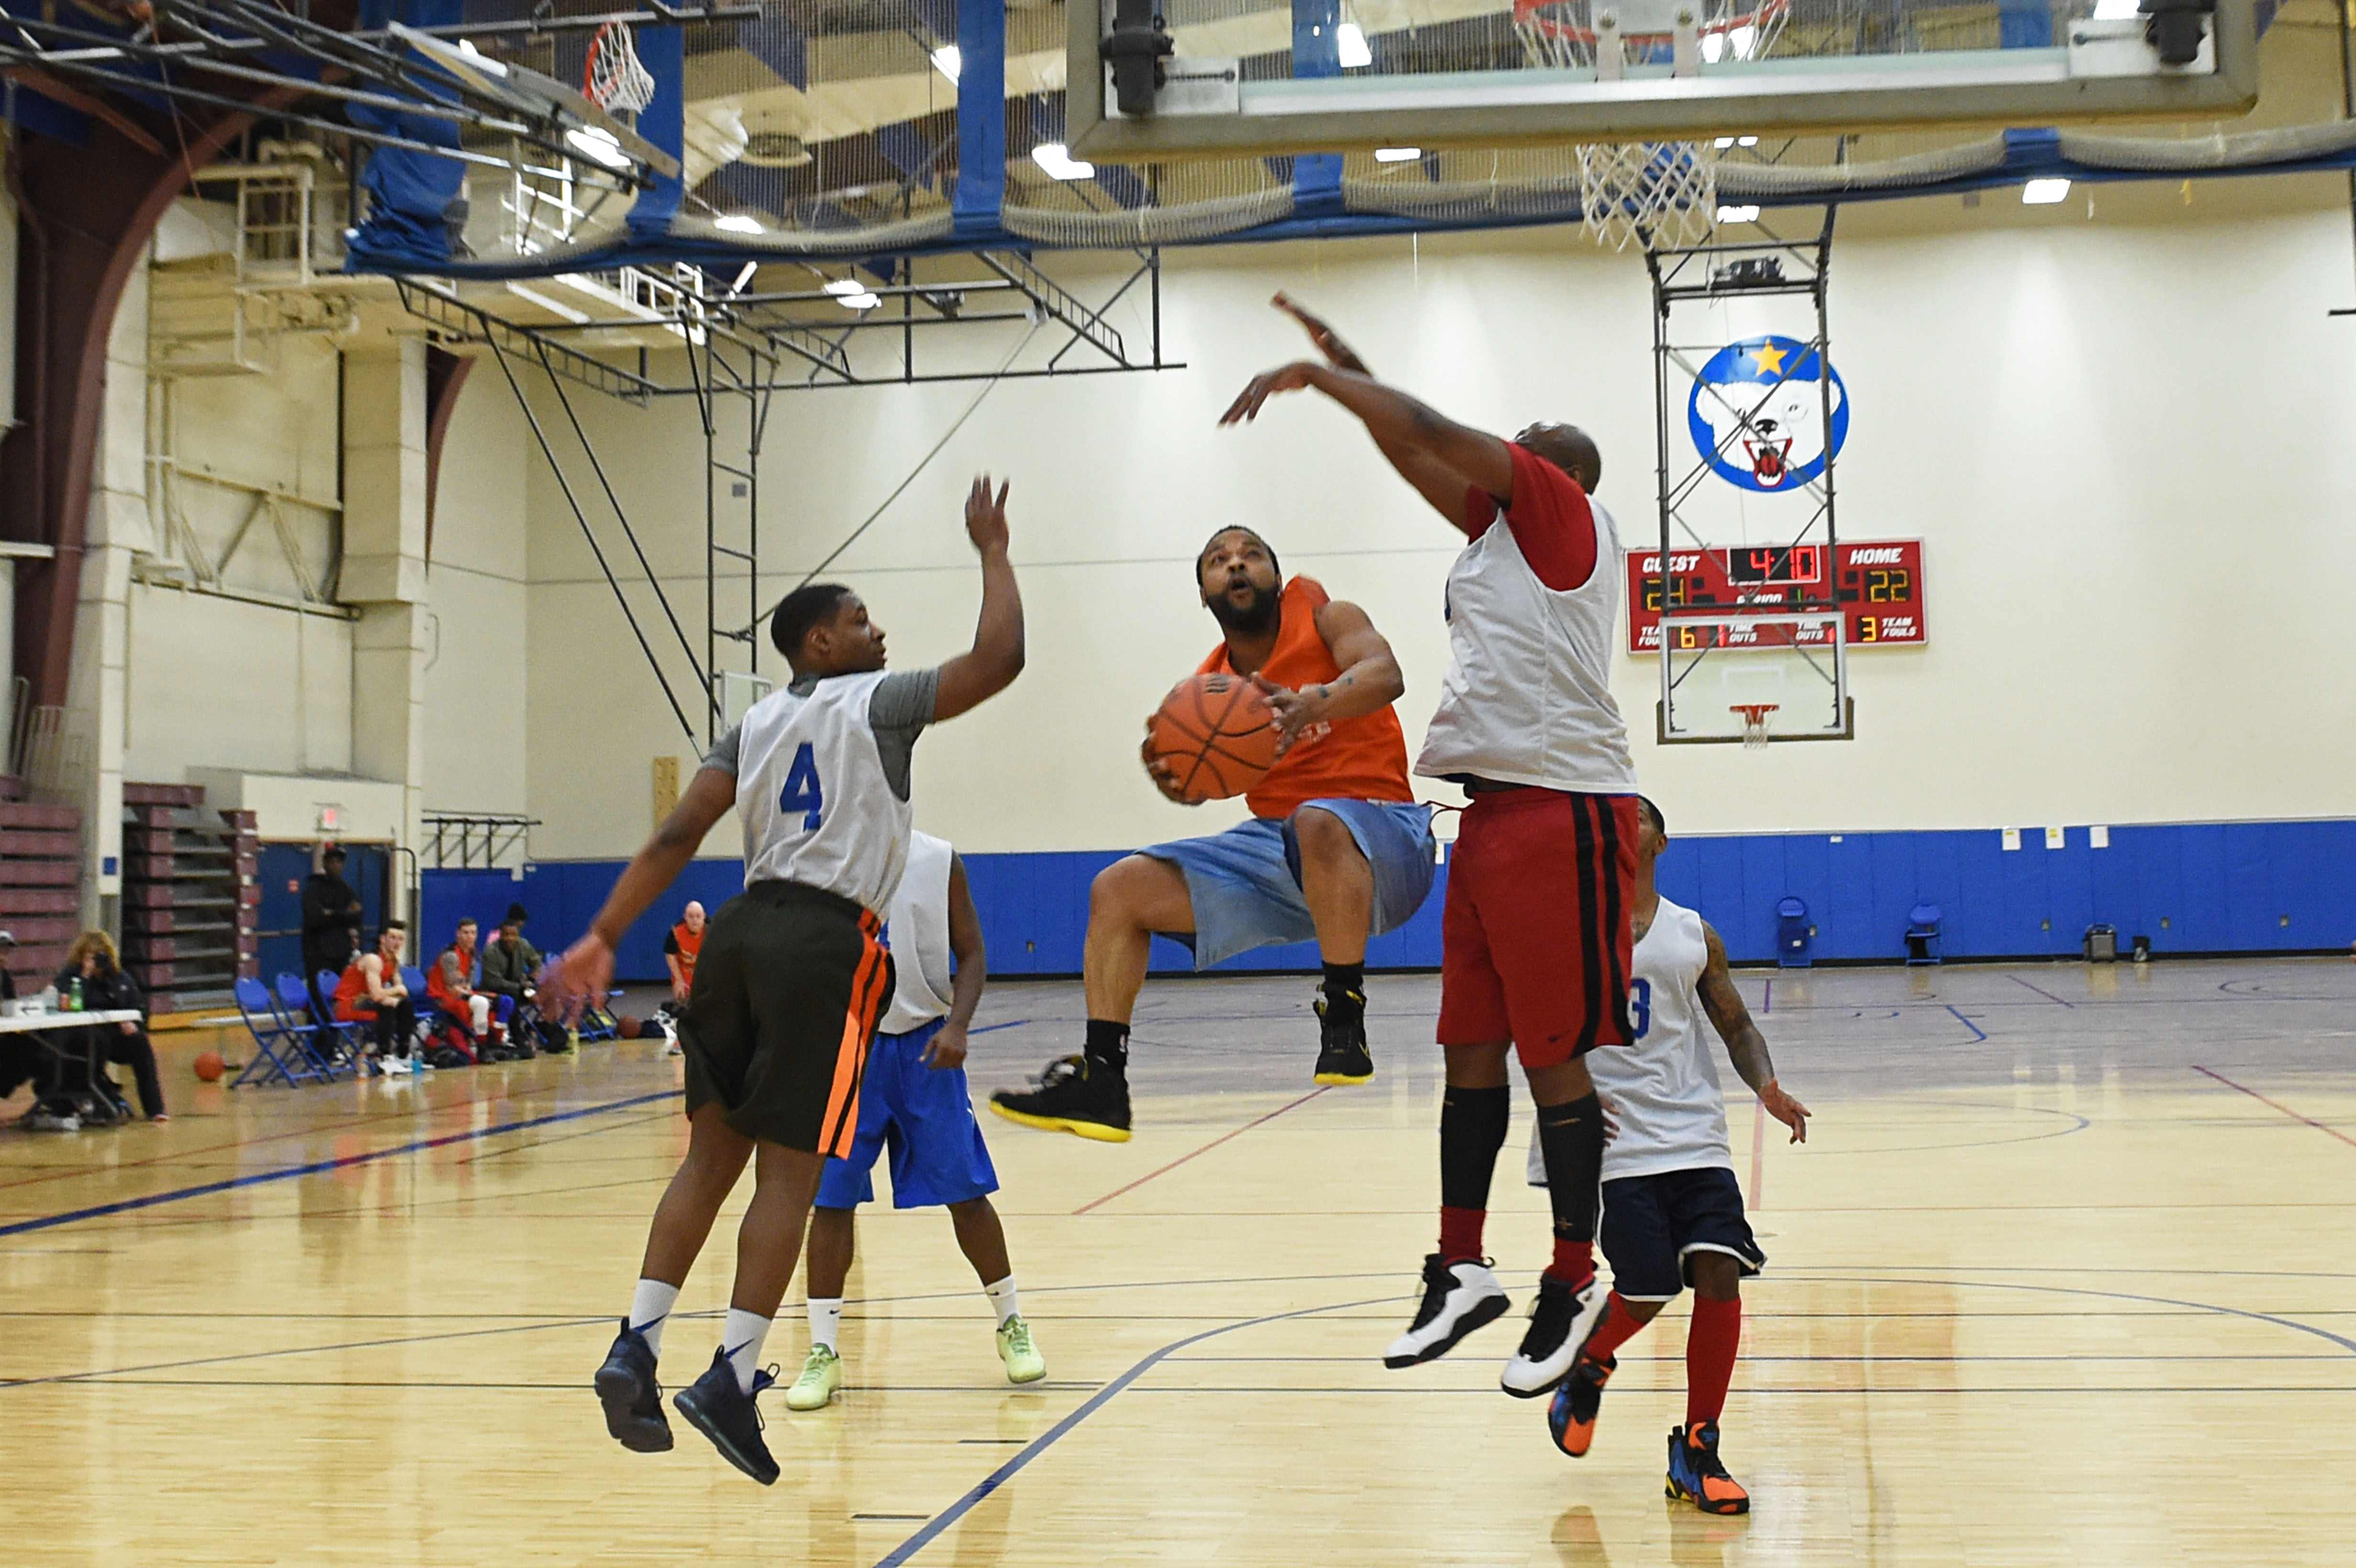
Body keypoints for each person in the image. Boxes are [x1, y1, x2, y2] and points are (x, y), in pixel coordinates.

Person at [545, 475, 1025, 1486]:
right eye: (859, 619)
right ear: (819, 642)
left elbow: (681, 830)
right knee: (793, 1174)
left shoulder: (753, 723)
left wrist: (601, 935)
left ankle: (635, 1338)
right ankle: (727, 1370)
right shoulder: (880, 701)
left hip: (735, 933)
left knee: (707, 1158)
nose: (877, 629)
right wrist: (991, 548)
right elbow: (1000, 660)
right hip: (823, 945)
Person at [1223, 294, 1638, 1397]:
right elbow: (1414, 441)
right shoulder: (1498, 537)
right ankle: (1462, 1265)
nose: (1501, 449)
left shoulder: (1557, 505)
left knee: (1554, 1056)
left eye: (1520, 440)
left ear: (1553, 467)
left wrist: (1318, 382)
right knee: (1469, 1048)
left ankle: (1572, 1272)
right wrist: (1353, 369)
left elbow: (1434, 429)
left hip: (1564, 806)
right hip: (1491, 813)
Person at [988, 524, 1434, 1142]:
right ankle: (1103, 1082)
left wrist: (1315, 702)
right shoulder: (1212, 688)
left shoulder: (1327, 614)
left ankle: (1344, 1013)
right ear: (1204, 593)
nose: (1236, 566)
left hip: (1388, 838)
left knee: (1318, 819)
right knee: (1118, 890)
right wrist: (1178, 781)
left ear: (1278, 578)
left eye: (1252, 555)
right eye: (1219, 561)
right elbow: (1202, 787)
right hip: (1283, 848)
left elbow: (1385, 673)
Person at [1527, 797, 1811, 1515]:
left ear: (1659, 839)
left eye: (1636, 818)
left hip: (1694, 1133)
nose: (1624, 828)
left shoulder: (1693, 935)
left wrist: (1768, 1087)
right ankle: (1590, 1361)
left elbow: (1736, 1023)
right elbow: (1537, 1030)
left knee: (1720, 1270)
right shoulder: (1568, 931)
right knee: (1649, 1283)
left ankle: (1700, 1447)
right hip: (1616, 1143)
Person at [786, 830, 1044, 1411]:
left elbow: (972, 953)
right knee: (829, 1202)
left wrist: (958, 1026)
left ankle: (1011, 1325)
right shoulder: (821, 857)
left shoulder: (938, 858)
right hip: (848, 1047)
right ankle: (822, 1352)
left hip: (926, 1043)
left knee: (967, 1193)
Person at [59, 931, 166, 1122]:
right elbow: (69, 1004)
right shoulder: (71, 975)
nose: (97, 961)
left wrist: (133, 1024)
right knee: (95, 1043)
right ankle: (97, 1097)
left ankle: (155, 1108)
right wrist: (85, 975)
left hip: (115, 1034)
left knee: (140, 1043)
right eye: (91, 956)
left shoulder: (119, 977)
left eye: (101, 955)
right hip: (83, 1036)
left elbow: (138, 1007)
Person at [335, 923, 420, 1076]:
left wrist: (396, 997)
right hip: (348, 1004)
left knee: (405, 1005)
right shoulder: (372, 960)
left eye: (401, 939)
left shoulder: (393, 960)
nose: (397, 942)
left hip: (368, 1002)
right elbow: (377, 994)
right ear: (383, 939)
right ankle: (384, 1057)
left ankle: (403, 1055)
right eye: (393, 938)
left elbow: (402, 991)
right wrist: (396, 992)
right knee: (385, 1007)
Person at [480, 914, 566, 1056]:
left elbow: (538, 965)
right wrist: (522, 987)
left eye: (514, 935)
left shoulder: (524, 945)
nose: (510, 939)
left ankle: (552, 1031)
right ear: (501, 935)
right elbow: (493, 982)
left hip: (519, 988)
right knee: (512, 996)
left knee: (547, 991)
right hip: (494, 992)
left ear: (518, 936)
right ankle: (518, 1036)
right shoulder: (490, 952)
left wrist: (532, 980)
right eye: (507, 935)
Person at [301, 845, 364, 1019]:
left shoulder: (346, 889)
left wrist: (332, 913)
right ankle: (317, 1043)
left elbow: (358, 916)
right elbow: (316, 919)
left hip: (341, 954)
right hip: (318, 955)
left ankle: (336, 1041)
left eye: (339, 862)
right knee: (320, 1001)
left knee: (340, 999)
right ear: (325, 864)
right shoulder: (313, 890)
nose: (336, 865)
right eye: (332, 861)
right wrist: (344, 915)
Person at [427, 917, 499, 1054]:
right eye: (466, 933)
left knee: (498, 1001)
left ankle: (494, 1041)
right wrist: (471, 994)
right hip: (443, 996)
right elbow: (452, 989)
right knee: (481, 1003)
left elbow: (467, 984)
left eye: (473, 933)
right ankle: (480, 1045)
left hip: (461, 993)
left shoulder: (473, 953)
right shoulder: (451, 955)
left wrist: (470, 992)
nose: (470, 937)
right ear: (458, 934)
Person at [658, 901, 705, 1056]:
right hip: (684, 974)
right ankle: (680, 1042)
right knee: (683, 1008)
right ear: (685, 917)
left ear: (704, 917)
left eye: (698, 917)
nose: (695, 921)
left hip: (703, 973)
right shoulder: (676, 932)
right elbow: (670, 955)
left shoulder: (711, 930)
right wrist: (678, 980)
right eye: (691, 917)